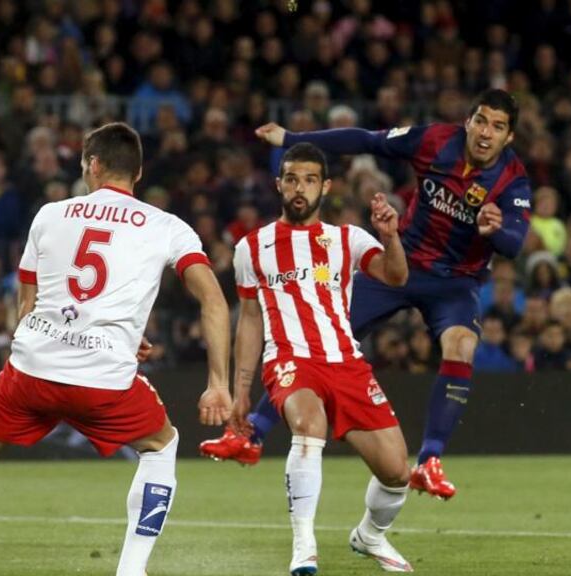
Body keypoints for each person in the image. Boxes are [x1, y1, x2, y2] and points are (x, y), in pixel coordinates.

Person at [0, 122, 232, 576]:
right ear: (138, 172)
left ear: (92, 165)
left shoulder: (51, 215)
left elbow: (27, 302)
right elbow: (213, 300)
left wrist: (50, 341)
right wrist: (217, 384)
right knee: (162, 443)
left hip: (32, 369)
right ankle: (131, 571)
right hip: (103, 377)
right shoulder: (167, 226)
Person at [202, 89, 532, 500]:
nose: (486, 132)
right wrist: (292, 139)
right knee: (315, 338)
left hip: (456, 283)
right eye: (481, 120)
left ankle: (430, 461)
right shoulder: (434, 141)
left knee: (461, 345)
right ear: (468, 122)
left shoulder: (512, 179)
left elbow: (516, 242)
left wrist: (495, 230)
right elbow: (367, 139)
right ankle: (251, 435)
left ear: (509, 137)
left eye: (497, 126)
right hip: (402, 265)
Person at [230, 143, 412, 574]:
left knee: (397, 473)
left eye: (310, 180)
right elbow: (250, 320)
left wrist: (391, 237)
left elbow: (396, 275)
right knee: (310, 425)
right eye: (291, 179)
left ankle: (369, 535)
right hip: (290, 360)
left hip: (346, 363)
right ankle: (304, 546)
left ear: (325, 187)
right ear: (278, 184)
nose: (300, 188)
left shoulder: (346, 238)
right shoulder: (251, 248)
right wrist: (240, 392)